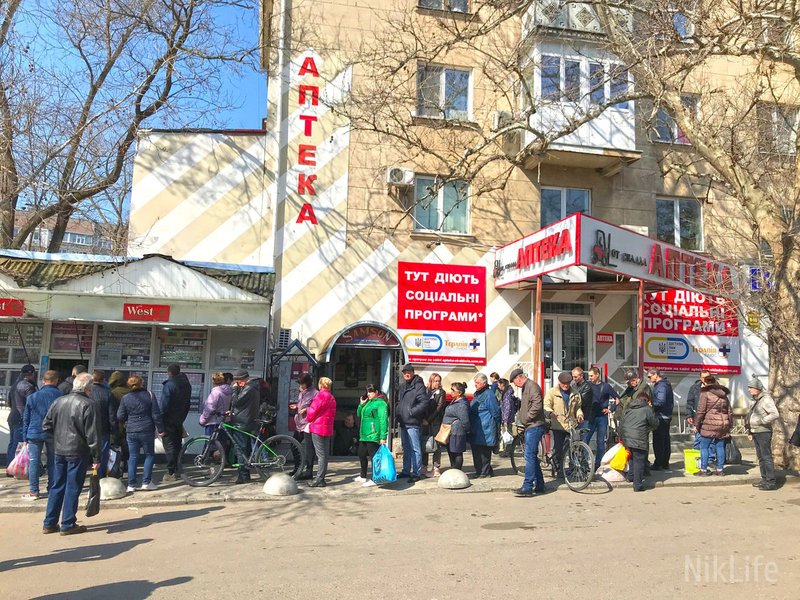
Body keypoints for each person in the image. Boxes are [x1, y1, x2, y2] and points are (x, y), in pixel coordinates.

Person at [41, 372, 100, 535]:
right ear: (88, 388)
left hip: (59, 450)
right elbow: (93, 435)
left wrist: (58, 439)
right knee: (73, 486)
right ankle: (68, 523)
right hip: (77, 451)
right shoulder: (88, 404)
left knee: (57, 485)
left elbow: (46, 426)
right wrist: (96, 457)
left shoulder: (59, 401)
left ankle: (49, 523)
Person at [117, 375, 165, 492]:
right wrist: (161, 429)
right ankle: (146, 482)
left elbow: (120, 416)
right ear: (142, 383)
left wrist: (127, 423)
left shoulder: (125, 398)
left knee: (133, 457)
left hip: (131, 430)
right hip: (147, 429)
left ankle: (131, 485)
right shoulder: (149, 395)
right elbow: (156, 414)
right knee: (149, 455)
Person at [21, 370, 61, 500]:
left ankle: (34, 491)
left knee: (34, 461)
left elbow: (26, 419)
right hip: (54, 432)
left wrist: (24, 437)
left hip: (34, 432)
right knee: (53, 461)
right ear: (57, 381)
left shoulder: (32, 397)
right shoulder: (61, 396)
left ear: (43, 381)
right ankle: (52, 489)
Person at [510, 368, 547, 497]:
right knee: (532, 456)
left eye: (515, 382)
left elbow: (537, 405)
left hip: (534, 425)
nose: (515, 385)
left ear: (519, 378)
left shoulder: (532, 386)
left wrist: (526, 418)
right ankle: (540, 485)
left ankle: (527, 486)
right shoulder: (527, 387)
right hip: (530, 425)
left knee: (529, 456)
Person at [543, 371, 583, 478]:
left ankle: (572, 468)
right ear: (559, 382)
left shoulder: (575, 393)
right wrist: (551, 413)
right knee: (558, 448)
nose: (566, 385)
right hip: (558, 425)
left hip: (571, 425)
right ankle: (557, 468)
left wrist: (580, 415)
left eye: (568, 383)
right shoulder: (552, 392)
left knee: (573, 448)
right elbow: (546, 405)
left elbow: (578, 408)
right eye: (563, 383)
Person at [618, 392, 659, 492]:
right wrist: (647, 429)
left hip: (626, 437)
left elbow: (622, 423)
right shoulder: (647, 409)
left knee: (632, 457)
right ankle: (637, 485)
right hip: (639, 438)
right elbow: (655, 423)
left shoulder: (629, 408)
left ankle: (630, 476)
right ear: (647, 401)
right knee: (639, 460)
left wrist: (622, 438)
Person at [694, 375, 732, 477]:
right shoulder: (723, 394)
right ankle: (720, 469)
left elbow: (701, 411)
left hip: (709, 424)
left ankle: (703, 470)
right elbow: (729, 411)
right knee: (720, 446)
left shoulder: (705, 393)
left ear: (705, 382)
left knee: (704, 447)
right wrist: (729, 425)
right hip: (723, 424)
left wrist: (696, 424)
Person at [160, 363, 192, 482]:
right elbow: (187, 403)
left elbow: (164, 405)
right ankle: (178, 468)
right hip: (179, 419)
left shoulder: (169, 385)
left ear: (169, 372)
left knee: (169, 446)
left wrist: (159, 420)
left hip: (168, 420)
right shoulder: (186, 385)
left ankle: (171, 471)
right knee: (177, 445)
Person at [228, 369, 261, 484]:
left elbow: (236, 401)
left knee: (240, 449)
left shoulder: (248, 388)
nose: (238, 384)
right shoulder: (252, 387)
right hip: (246, 421)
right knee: (244, 449)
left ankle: (242, 476)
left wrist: (234, 389)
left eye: (238, 381)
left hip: (242, 423)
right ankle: (245, 474)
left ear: (244, 379)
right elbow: (243, 405)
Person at [396, 363, 428, 482]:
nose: (406, 374)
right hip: (404, 422)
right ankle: (406, 471)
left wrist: (412, 412)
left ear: (413, 373)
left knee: (415, 448)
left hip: (413, 422)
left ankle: (416, 473)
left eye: (408, 372)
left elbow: (424, 402)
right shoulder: (403, 386)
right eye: (404, 372)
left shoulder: (418, 386)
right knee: (406, 448)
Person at [745, 377, 779, 490]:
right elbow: (751, 416)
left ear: (757, 388)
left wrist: (762, 421)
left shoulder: (766, 399)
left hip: (764, 432)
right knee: (761, 457)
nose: (749, 390)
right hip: (756, 431)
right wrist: (750, 431)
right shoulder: (755, 400)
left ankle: (770, 481)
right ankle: (764, 479)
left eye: (751, 387)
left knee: (766, 456)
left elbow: (774, 414)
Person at [584, 367, 619, 470]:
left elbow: (617, 399)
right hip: (590, 416)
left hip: (602, 417)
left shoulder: (606, 386)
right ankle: (584, 463)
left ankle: (598, 464)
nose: (590, 378)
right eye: (589, 376)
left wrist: (611, 409)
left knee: (600, 442)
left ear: (597, 374)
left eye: (591, 375)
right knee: (585, 440)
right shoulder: (587, 385)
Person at [304, 377, 336, 487]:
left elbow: (312, 411)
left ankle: (319, 479)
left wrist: (308, 419)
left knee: (320, 455)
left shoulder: (320, 396)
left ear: (321, 385)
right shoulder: (332, 397)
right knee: (324, 455)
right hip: (327, 428)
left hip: (317, 428)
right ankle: (321, 478)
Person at [355, 384, 388, 487]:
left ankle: (375, 478)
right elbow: (358, 414)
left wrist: (383, 436)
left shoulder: (381, 403)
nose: (368, 394)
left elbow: (383, 420)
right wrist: (361, 405)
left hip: (373, 434)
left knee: (374, 457)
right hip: (364, 434)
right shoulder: (368, 402)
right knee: (361, 453)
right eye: (368, 392)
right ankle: (363, 475)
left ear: (376, 392)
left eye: (371, 392)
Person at [469, 373, 501, 478]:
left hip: (485, 427)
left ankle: (484, 472)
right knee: (477, 451)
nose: (475, 385)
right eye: (475, 383)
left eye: (477, 383)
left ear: (484, 383)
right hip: (477, 427)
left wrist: (497, 426)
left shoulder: (489, 394)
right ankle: (482, 471)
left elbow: (495, 411)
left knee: (484, 451)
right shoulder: (477, 394)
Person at [6, 364, 37, 467]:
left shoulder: (14, 385)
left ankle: (9, 466)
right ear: (31, 374)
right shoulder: (29, 387)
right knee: (18, 444)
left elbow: (9, 402)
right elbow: (32, 405)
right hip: (22, 418)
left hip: (12, 417)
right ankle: (15, 467)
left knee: (12, 443)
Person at [647, 368, 674, 471]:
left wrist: (651, 404)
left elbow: (660, 401)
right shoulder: (665, 384)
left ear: (656, 375)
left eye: (650, 376)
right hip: (666, 415)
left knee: (658, 441)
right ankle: (664, 463)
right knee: (665, 440)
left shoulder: (661, 386)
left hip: (661, 416)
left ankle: (659, 463)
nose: (649, 379)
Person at [90, 369, 116, 478]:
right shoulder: (108, 393)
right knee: (102, 453)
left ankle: (88, 474)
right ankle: (100, 476)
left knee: (86, 452)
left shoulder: (87, 392)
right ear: (103, 380)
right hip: (103, 427)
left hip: (87, 427)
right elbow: (111, 414)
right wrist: (114, 430)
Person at [442, 382, 470, 471]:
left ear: (459, 393)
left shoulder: (462, 405)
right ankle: (453, 469)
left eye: (453, 390)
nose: (451, 392)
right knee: (451, 452)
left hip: (457, 432)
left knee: (457, 453)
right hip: (450, 431)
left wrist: (467, 430)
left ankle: (457, 470)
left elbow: (465, 420)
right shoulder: (454, 401)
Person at [422, 373, 446, 477]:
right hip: (424, 422)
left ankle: (436, 468)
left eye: (439, 381)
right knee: (424, 443)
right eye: (435, 381)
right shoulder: (426, 391)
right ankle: (423, 466)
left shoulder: (441, 392)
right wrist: (423, 419)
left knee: (436, 446)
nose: (437, 383)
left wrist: (429, 420)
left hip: (435, 422)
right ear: (431, 381)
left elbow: (439, 407)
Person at [294, 373, 317, 480]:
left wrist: (306, 410)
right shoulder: (301, 392)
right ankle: (297, 468)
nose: (300, 386)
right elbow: (301, 403)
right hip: (299, 422)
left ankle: (309, 471)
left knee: (309, 448)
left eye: (302, 384)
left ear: (307, 383)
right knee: (294, 445)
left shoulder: (315, 393)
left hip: (308, 423)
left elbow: (316, 407)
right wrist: (297, 406)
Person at [685, 369, 712, 451]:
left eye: (707, 377)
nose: (705, 379)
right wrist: (689, 415)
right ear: (700, 378)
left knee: (711, 442)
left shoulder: (716, 387)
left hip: (712, 419)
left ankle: (710, 457)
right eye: (703, 377)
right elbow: (690, 402)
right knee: (699, 440)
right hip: (698, 418)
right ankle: (698, 456)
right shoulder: (694, 388)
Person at [108, 370, 131, 465]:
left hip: (116, 421)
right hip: (129, 422)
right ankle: (125, 463)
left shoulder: (112, 392)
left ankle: (116, 465)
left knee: (115, 444)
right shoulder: (130, 391)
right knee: (126, 444)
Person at [497, 378, 517, 456]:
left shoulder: (507, 395)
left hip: (506, 418)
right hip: (507, 417)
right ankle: (506, 450)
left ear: (502, 384)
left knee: (507, 434)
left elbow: (507, 408)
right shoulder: (506, 393)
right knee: (506, 433)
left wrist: (505, 419)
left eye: (499, 384)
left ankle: (507, 450)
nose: (498, 386)